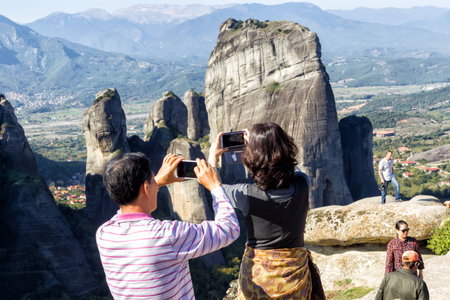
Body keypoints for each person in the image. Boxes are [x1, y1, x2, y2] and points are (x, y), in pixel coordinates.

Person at [96, 152, 240, 299]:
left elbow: (131, 205)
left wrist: (156, 182)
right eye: (153, 178)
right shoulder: (167, 235)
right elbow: (229, 229)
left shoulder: (104, 234)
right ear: (146, 187)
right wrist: (215, 186)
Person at [209, 122, 325, 299]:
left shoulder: (245, 194)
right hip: (295, 281)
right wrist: (267, 144)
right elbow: (292, 168)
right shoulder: (303, 184)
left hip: (257, 283)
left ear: (252, 158)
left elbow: (214, 188)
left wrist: (213, 156)